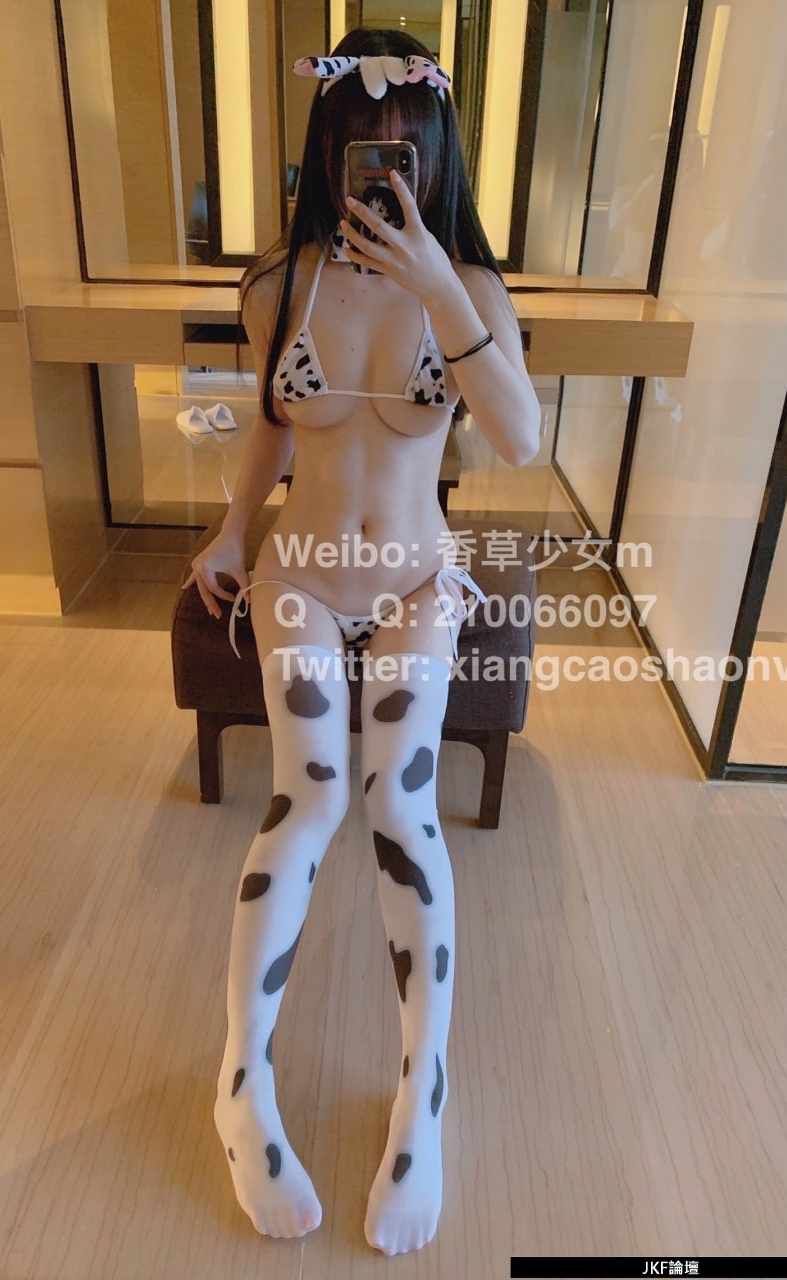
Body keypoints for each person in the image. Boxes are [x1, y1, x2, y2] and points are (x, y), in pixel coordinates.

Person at [183, 27, 541, 1256]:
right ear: (327, 147)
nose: (384, 166)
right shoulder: (279, 283)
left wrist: (439, 285)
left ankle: (421, 1097)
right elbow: (275, 424)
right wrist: (233, 528)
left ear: (436, 152)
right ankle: (241, 1080)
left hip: (417, 581)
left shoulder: (473, 290)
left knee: (403, 806)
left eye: (406, 145)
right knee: (312, 796)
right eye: (358, 143)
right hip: (298, 575)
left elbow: (521, 440)